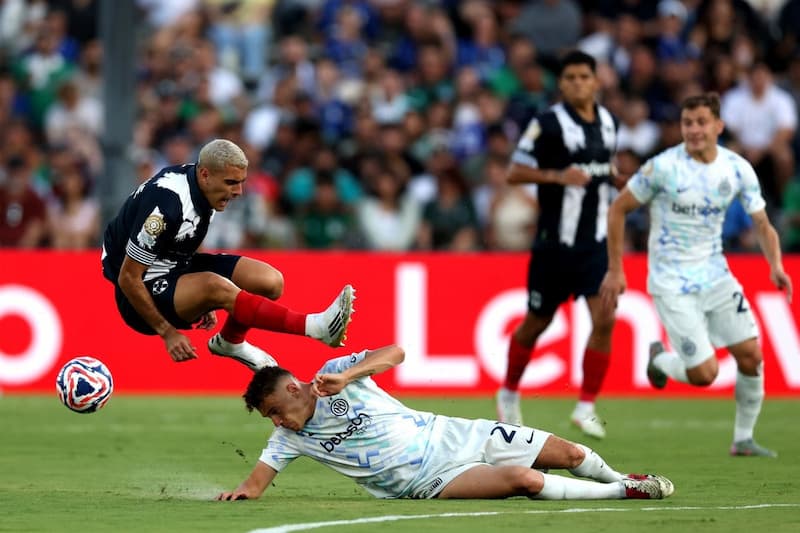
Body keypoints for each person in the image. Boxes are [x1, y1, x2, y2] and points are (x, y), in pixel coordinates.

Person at [216, 344, 674, 502]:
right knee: (525, 480)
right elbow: (254, 486)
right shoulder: (287, 440)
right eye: (270, 418)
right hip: (430, 478)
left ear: (294, 389)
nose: (277, 422)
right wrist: (237, 494)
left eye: (275, 410)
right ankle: (625, 491)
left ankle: (618, 477)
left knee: (570, 454)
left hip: (453, 431)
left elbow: (396, 353)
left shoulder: (336, 376)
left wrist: (351, 374)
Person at [599, 93, 793, 458]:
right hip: (672, 283)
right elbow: (618, 209)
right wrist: (615, 268)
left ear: (718, 126)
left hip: (716, 275)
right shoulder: (662, 168)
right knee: (706, 374)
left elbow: (763, 224)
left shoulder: (736, 169)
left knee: (751, 354)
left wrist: (776, 265)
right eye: (688, 123)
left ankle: (744, 439)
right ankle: (659, 360)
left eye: (701, 122)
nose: (693, 130)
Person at [101, 139, 355, 370]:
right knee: (215, 286)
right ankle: (316, 327)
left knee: (270, 281)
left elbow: (185, 235)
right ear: (205, 175)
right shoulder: (165, 206)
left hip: (174, 266)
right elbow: (128, 278)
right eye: (231, 183)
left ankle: (230, 342)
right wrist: (168, 332)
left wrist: (198, 296)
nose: (238, 192)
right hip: (138, 294)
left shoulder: (204, 184)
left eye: (241, 182)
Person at [495, 50, 621, 439]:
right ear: (562, 83)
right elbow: (514, 172)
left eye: (585, 76)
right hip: (554, 245)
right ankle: (509, 392)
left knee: (605, 318)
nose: (578, 83)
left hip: (595, 244)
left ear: (597, 81)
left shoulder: (609, 122)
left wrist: (618, 181)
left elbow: (604, 171)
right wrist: (556, 176)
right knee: (537, 323)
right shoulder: (548, 123)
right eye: (570, 77)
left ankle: (585, 407)